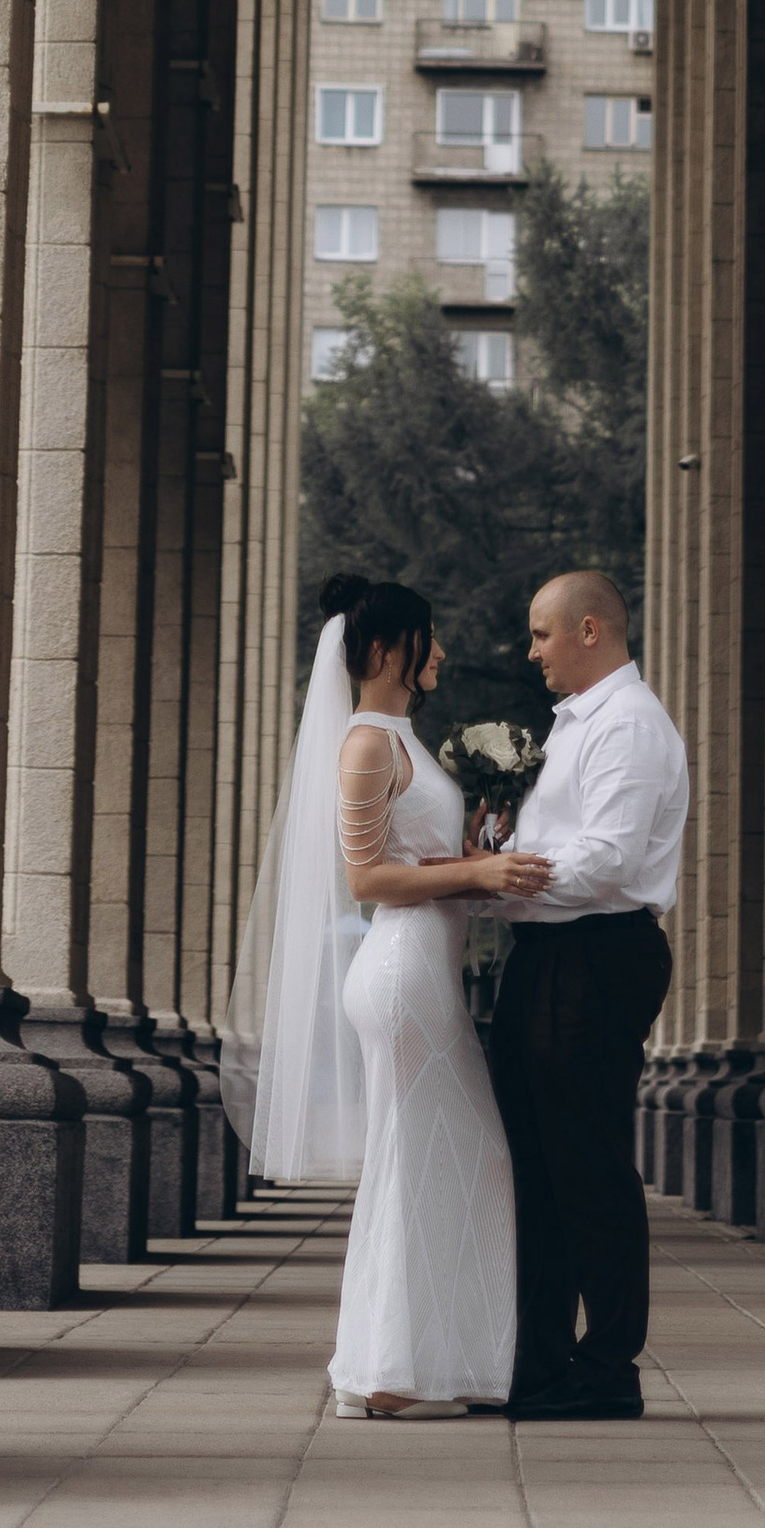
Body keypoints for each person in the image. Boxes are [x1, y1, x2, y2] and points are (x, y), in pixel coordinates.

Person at [221, 572, 552, 1419]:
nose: (438, 651)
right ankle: (393, 1372)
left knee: (450, 1160)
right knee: (427, 1159)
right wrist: (475, 870)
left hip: (427, 968)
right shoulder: (368, 744)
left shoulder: (404, 740)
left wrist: (480, 851)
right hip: (402, 975)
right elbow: (365, 878)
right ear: (380, 651)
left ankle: (417, 1362)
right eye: (424, 638)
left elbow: (421, 866)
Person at [489, 568, 691, 1421]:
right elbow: (563, 840)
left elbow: (608, 858)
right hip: (545, 952)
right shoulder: (572, 726)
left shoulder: (633, 727)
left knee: (590, 1168)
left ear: (590, 631)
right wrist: (501, 849)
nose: (530, 650)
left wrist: (500, 883)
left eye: (541, 633)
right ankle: (538, 1361)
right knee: (536, 1168)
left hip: (597, 955)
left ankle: (607, 1366)